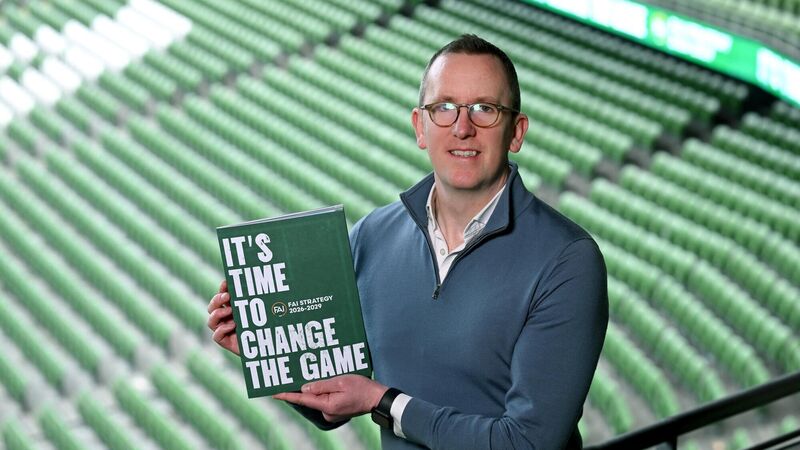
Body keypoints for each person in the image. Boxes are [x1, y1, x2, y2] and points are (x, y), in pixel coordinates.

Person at [208, 34, 608, 450]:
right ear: (420, 127)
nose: (463, 128)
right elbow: (339, 398)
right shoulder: (371, 236)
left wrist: (386, 403)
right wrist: (269, 354)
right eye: (444, 108)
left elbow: (529, 443)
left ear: (516, 132)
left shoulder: (567, 261)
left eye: (485, 109)